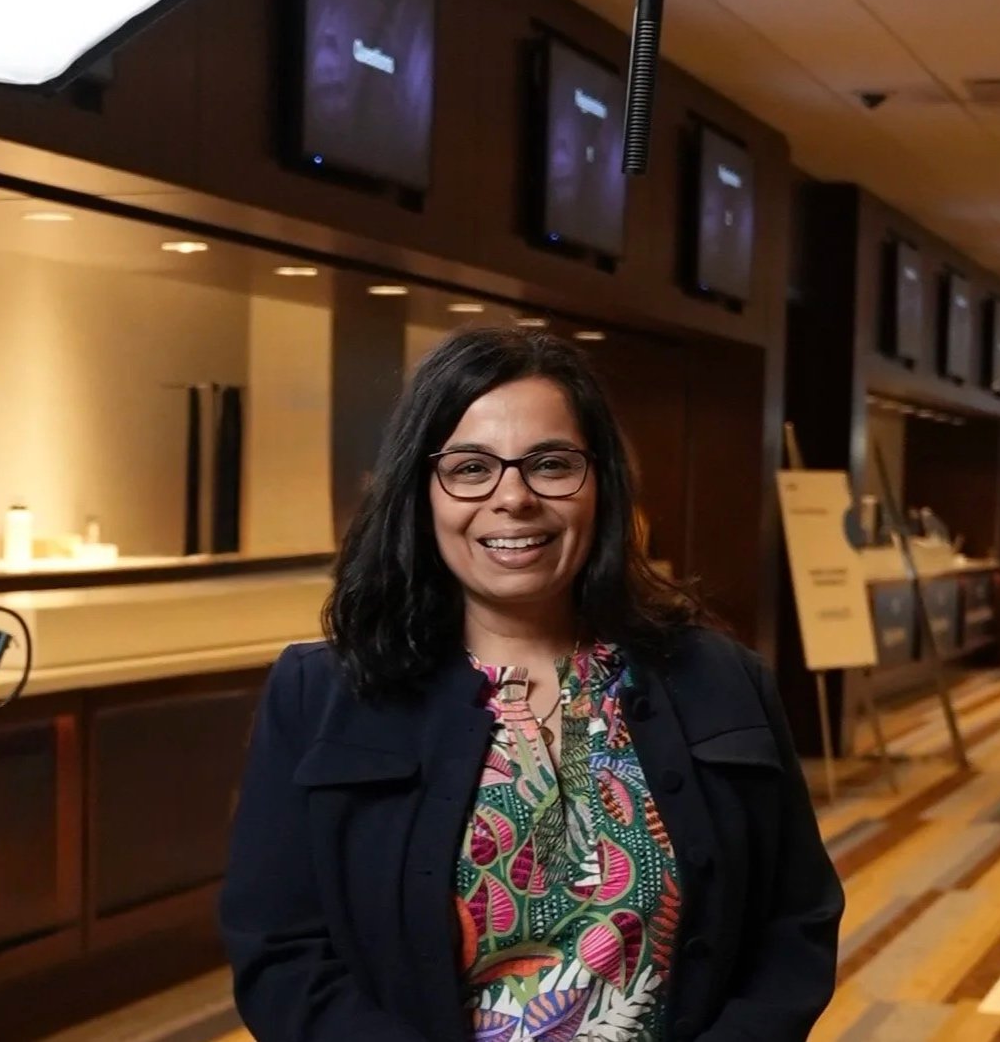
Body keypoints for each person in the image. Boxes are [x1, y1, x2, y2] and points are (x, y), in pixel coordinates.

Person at [221, 328, 841, 1042]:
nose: (512, 497)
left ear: (600, 482)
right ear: (420, 491)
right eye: (471, 467)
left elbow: (795, 924)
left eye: (550, 463)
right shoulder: (322, 694)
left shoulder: (721, 679)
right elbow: (281, 952)